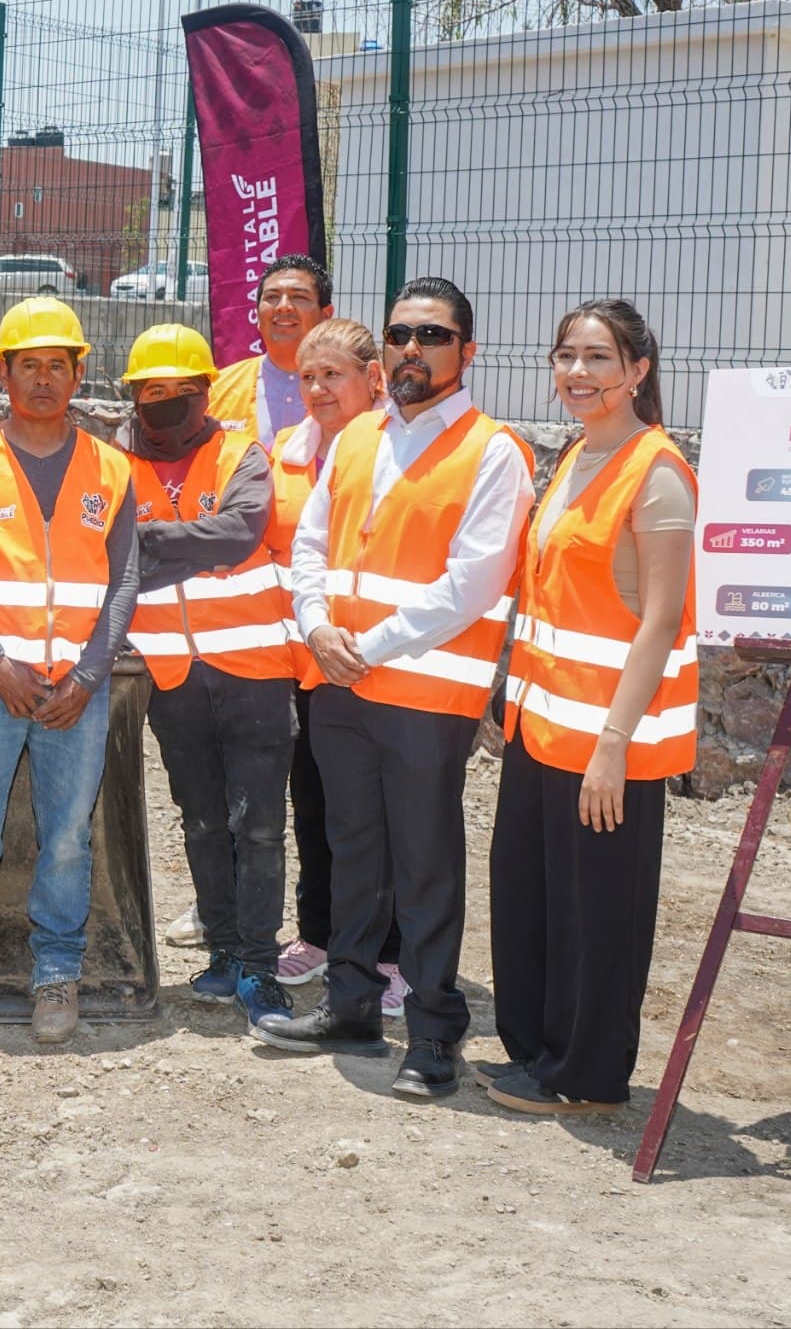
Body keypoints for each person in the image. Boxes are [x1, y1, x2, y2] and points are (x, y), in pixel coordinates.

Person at [260, 277, 534, 1100]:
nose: (414, 349)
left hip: (421, 695)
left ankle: (433, 1029)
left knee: (423, 864)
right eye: (401, 334)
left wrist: (362, 645)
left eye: (434, 335)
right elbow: (312, 546)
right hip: (341, 680)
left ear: (468, 351)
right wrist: (315, 627)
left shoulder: (493, 451)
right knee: (352, 852)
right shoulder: (352, 438)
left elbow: (473, 584)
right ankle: (350, 1003)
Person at [484, 300, 697, 1116]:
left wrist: (614, 741)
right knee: (533, 898)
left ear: (638, 370)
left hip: (607, 741)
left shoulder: (658, 470)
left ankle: (588, 1076)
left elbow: (662, 618)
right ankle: (539, 1052)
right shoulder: (576, 454)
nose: (578, 372)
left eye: (599, 358)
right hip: (541, 730)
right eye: (566, 355)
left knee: (600, 911)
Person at [0, 297, 139, 1048]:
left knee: (69, 839)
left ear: (80, 373)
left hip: (75, 686)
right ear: (2, 372)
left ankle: (57, 975)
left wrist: (87, 675)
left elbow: (124, 582)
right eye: (28, 365)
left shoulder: (112, 468)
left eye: (58, 365)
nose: (43, 379)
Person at [119, 324, 300, 1037]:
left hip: (255, 669)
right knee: (200, 820)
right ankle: (224, 950)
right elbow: (108, 557)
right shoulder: (113, 464)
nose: (165, 404)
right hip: (172, 676)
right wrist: (192, 542)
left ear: (205, 393)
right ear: (132, 396)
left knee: (256, 826)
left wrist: (151, 543)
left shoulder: (240, 453)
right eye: (150, 392)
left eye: (180, 392)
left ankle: (260, 963)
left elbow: (241, 532)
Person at [271, 318, 405, 1014]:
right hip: (307, 663)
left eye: (335, 374)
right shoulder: (288, 452)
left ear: (373, 379)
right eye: (308, 376)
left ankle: (392, 954)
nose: (319, 388)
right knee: (318, 807)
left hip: (382, 664)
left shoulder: (397, 448)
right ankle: (323, 934)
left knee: (387, 820)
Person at [207, 254, 334, 449]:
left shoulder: (353, 391)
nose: (283, 307)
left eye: (299, 297)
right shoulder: (217, 389)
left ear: (326, 316)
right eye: (272, 297)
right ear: (257, 316)